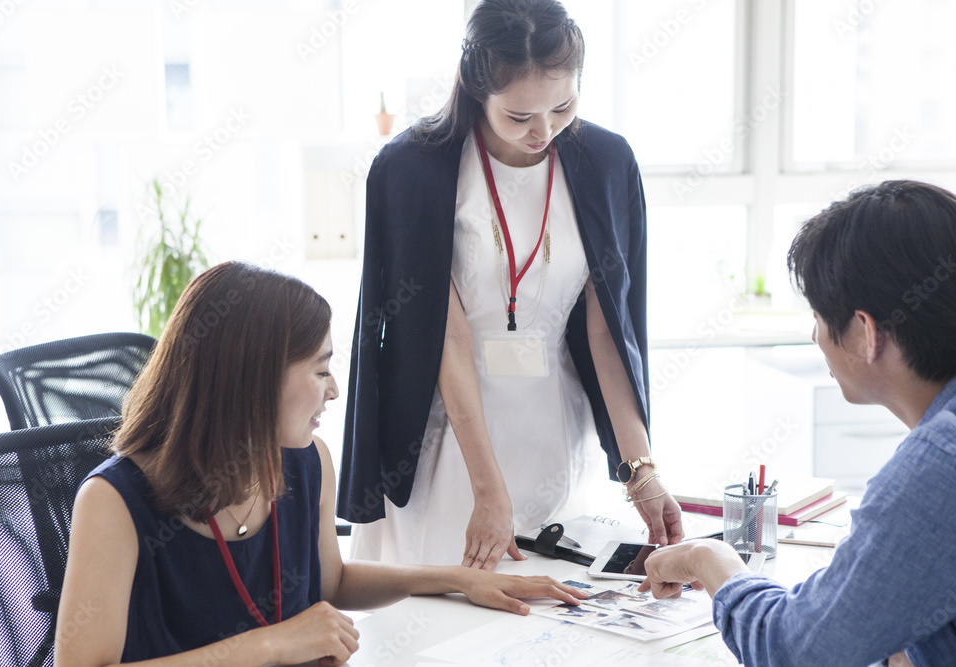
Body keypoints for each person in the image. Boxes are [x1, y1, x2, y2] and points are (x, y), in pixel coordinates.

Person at [54, 261, 586, 666]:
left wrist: (458, 578)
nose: (333, 391)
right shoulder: (114, 501)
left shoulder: (306, 463)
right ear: (253, 381)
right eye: (319, 371)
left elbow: (331, 582)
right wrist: (271, 644)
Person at [339, 0, 683, 571]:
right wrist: (488, 491)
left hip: (554, 430)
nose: (543, 131)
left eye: (563, 106)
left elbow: (608, 331)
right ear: (478, 91)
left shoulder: (605, 161)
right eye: (519, 116)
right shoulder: (414, 169)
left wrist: (641, 471)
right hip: (450, 444)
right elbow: (443, 339)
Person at [637, 180, 956, 667]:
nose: (814, 335)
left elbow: (793, 650)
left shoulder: (937, 465)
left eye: (819, 316)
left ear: (866, 333)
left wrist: (710, 559)